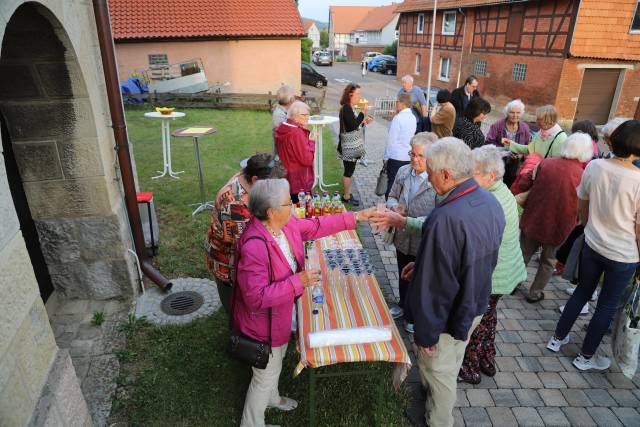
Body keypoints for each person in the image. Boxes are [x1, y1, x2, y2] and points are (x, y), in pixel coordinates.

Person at [234, 179, 374, 426]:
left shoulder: (285, 225)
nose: (294, 205)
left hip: (278, 318)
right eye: (289, 202)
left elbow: (317, 225)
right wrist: (298, 282)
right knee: (263, 376)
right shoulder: (254, 246)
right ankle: (251, 422)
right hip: (261, 327)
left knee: (273, 365)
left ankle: (272, 399)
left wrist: (357, 216)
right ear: (271, 211)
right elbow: (255, 298)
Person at [399, 138, 505, 427]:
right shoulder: (490, 200)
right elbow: (464, 257)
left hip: (449, 313)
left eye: (431, 172)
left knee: (440, 372)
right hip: (474, 304)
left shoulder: (445, 217)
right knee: (452, 360)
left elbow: (437, 287)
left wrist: (426, 335)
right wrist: (421, 264)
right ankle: (431, 402)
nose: (429, 178)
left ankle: (438, 420)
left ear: (446, 174)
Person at [547, 120, 640, 371]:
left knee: (582, 292)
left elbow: (583, 204)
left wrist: (589, 227)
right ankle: (585, 357)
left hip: (593, 243)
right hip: (623, 254)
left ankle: (557, 339)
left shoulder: (595, 166)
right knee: (607, 306)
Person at [458, 145, 527, 384]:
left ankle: (470, 367)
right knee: (489, 316)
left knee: (477, 320)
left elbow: (464, 235)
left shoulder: (489, 200)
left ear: (490, 175)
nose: (467, 176)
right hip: (504, 272)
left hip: (494, 275)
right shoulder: (500, 190)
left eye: (472, 172)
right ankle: (487, 358)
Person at [517, 132, 594, 303]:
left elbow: (524, 183)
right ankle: (535, 293)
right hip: (561, 224)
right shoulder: (583, 175)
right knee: (548, 261)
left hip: (535, 217)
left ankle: (514, 282)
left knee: (524, 253)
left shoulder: (546, 163)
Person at [205, 153, 286, 314]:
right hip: (228, 264)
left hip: (235, 253)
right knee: (239, 311)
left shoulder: (246, 176)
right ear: (256, 180)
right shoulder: (236, 206)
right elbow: (247, 252)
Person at [384, 132, 439, 333]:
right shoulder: (403, 172)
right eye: (412, 154)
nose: (415, 159)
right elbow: (391, 196)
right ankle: (402, 304)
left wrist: (408, 220)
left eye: (420, 156)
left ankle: (414, 315)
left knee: (421, 279)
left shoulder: (437, 181)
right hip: (402, 236)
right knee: (402, 272)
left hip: (423, 240)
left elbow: (438, 218)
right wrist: (393, 207)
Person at [338, 83, 373, 206]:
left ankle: (348, 193)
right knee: (348, 171)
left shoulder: (350, 108)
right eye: (357, 93)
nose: (359, 96)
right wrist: (363, 113)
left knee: (350, 170)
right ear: (350, 94)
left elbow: (352, 124)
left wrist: (363, 122)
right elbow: (352, 126)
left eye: (359, 93)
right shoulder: (346, 108)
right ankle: (346, 196)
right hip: (349, 146)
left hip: (350, 144)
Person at [274, 101, 315, 203]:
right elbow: (307, 160)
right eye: (303, 115)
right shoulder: (297, 133)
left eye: (308, 114)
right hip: (299, 181)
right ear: (293, 116)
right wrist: (312, 142)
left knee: (290, 208)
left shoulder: (283, 126)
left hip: (287, 176)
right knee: (302, 212)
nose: (307, 117)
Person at [383, 92, 418, 198]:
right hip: (407, 156)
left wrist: (386, 157)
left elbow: (391, 140)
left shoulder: (398, 118)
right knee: (403, 185)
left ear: (402, 103)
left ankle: (390, 206)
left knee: (391, 184)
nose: (396, 103)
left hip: (396, 156)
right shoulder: (413, 117)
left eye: (397, 101)